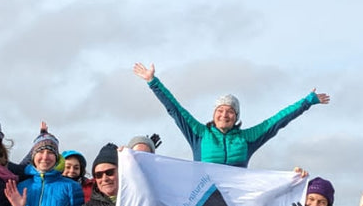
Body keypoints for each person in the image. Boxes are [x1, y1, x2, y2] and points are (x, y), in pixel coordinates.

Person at [132, 62, 329, 168]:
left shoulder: (247, 138)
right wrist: (152, 81)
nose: (224, 114)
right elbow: (175, 109)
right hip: (203, 200)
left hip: (235, 204)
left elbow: (278, 120)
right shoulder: (199, 133)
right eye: (220, 110)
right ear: (214, 114)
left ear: (236, 117)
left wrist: (307, 102)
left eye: (230, 111)